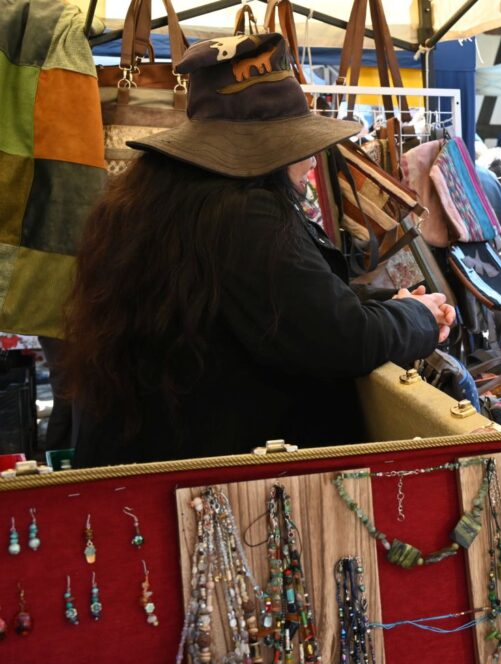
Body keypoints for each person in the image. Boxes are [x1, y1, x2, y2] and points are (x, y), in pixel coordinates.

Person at [62, 34, 454, 467]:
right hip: (207, 485)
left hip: (152, 466)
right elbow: (340, 339)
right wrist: (418, 317)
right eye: (299, 146)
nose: (309, 161)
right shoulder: (243, 212)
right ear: (264, 148)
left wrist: (382, 304)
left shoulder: (159, 200)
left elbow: (275, 303)